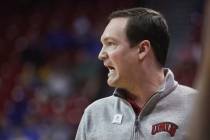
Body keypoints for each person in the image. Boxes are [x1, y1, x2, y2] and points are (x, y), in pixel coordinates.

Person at [75, 7, 197, 140]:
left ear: (142, 49)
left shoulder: (198, 107)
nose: (101, 55)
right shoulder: (94, 114)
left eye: (110, 43)